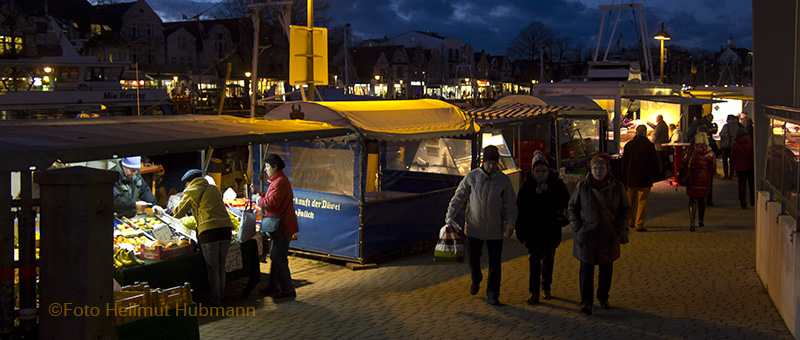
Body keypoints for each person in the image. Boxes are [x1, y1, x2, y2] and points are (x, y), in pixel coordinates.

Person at [446, 145, 517, 306]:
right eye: (489, 163)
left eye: (494, 163)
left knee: (495, 263)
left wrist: (510, 224)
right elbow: (459, 197)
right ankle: (476, 277)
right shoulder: (472, 177)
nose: (492, 166)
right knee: (473, 258)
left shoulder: (503, 181)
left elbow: (510, 204)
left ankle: (492, 294)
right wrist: (450, 214)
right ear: (483, 162)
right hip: (474, 228)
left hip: (494, 229)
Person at [568, 154, 630, 316]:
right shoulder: (582, 187)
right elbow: (572, 207)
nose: (598, 171)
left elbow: (625, 208)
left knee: (606, 268)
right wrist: (577, 227)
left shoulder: (617, 187)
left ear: (607, 169)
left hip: (608, 234)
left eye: (601, 168)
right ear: (591, 169)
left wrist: (619, 228)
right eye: (595, 168)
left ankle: (603, 297)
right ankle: (586, 302)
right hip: (586, 235)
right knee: (586, 269)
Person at [160, 169, 233, 306]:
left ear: (189, 182)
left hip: (209, 232)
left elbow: (178, 213)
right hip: (226, 230)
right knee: (221, 265)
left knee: (213, 268)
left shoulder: (192, 190)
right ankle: (222, 295)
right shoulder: (213, 188)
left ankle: (216, 300)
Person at [515, 151, 570, 305]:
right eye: (537, 171)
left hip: (550, 229)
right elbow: (521, 208)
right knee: (534, 262)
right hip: (533, 230)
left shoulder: (556, 183)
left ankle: (546, 286)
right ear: (533, 171)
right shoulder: (527, 185)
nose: (540, 174)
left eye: (543, 171)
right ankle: (534, 292)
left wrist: (561, 214)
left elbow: (566, 201)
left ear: (548, 170)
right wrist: (521, 230)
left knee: (548, 259)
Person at [252, 154, 299, 299]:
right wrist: (259, 193)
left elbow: (271, 204)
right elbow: (271, 198)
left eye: (267, 166)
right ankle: (273, 286)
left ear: (274, 167)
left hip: (283, 226)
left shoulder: (280, 182)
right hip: (281, 225)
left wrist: (258, 199)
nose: (265, 170)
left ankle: (288, 289)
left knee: (278, 257)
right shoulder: (278, 181)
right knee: (276, 255)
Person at [622, 125, 660, 232]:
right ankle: (640, 223)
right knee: (642, 201)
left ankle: (630, 221)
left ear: (636, 132)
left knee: (630, 201)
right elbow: (654, 162)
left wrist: (624, 177)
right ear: (645, 132)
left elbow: (624, 162)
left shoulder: (629, 145)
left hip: (631, 177)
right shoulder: (649, 145)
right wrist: (657, 175)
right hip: (645, 177)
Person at [684, 129, 716, 231]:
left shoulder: (691, 150)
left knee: (692, 200)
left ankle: (692, 222)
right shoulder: (710, 152)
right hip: (704, 178)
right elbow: (713, 168)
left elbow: (685, 162)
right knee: (702, 200)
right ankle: (701, 221)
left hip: (692, 177)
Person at [730, 128, 754, 209]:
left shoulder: (736, 144)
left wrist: (732, 170)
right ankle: (753, 202)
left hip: (740, 167)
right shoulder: (751, 142)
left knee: (742, 186)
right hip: (750, 166)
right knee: (752, 185)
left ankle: (743, 204)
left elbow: (732, 158)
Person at [719, 115, 744, 179]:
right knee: (732, 160)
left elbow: (722, 134)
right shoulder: (737, 126)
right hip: (734, 145)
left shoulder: (726, 126)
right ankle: (731, 174)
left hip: (725, 145)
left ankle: (726, 175)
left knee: (725, 160)